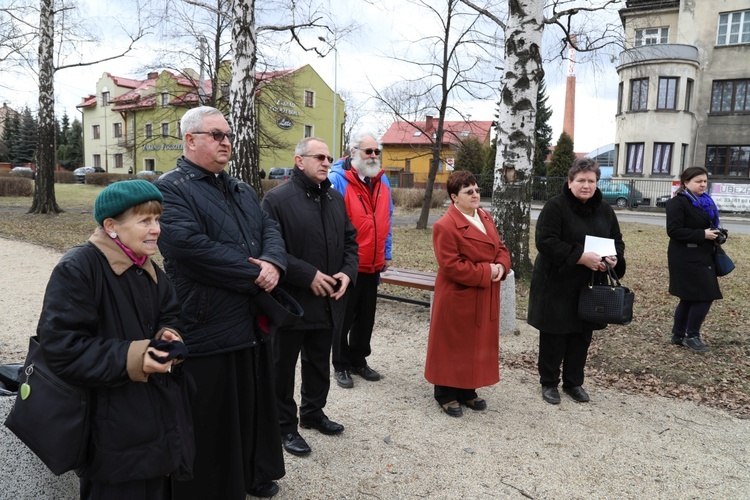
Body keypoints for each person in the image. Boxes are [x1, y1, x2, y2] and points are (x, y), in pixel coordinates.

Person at [155, 106, 286, 499]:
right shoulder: (170, 188)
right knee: (213, 413)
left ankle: (253, 473)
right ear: (190, 140)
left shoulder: (242, 188)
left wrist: (275, 263)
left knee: (252, 405)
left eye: (228, 135)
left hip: (250, 319)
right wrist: (256, 274)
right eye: (216, 134)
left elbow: (270, 229)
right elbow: (187, 247)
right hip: (207, 318)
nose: (226, 141)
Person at [38, 179, 194, 499]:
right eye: (145, 221)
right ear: (112, 226)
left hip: (154, 425)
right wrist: (137, 357)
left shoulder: (150, 269)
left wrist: (168, 334)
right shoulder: (79, 267)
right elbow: (62, 349)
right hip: (110, 432)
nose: (156, 229)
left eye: (158, 219)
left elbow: (172, 315)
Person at [261, 137, 359, 457]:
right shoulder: (276, 200)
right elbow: (271, 250)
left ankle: (313, 413)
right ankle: (283, 426)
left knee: (318, 362)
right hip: (292, 301)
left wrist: (347, 271)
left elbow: (350, 241)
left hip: (329, 300)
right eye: (319, 156)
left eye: (329, 158)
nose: (327, 162)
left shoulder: (333, 198)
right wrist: (308, 275)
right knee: (283, 367)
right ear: (299, 160)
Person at [527, 158, 626, 405]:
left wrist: (613, 259)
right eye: (580, 180)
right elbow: (546, 241)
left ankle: (574, 382)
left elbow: (617, 240)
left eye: (591, 181)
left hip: (590, 283)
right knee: (554, 335)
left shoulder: (604, 209)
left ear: (596, 183)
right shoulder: (555, 206)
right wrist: (580, 257)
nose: (586, 185)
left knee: (582, 336)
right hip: (557, 282)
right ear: (570, 182)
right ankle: (549, 382)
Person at [424, 170, 511, 417]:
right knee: (452, 344)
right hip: (458, 294)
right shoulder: (445, 226)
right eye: (468, 191)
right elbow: (452, 266)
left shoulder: (485, 216)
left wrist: (502, 266)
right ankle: (445, 393)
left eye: (476, 190)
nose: (475, 195)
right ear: (454, 197)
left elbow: (501, 248)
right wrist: (488, 271)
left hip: (484, 293)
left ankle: (466, 389)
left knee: (476, 344)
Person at [328, 133, 393, 388]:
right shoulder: (338, 180)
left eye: (376, 151)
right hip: (348, 263)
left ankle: (358, 360)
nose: (373, 156)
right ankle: (340, 364)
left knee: (366, 317)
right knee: (342, 317)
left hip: (373, 261)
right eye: (368, 151)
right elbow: (333, 225)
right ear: (353, 152)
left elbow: (388, 217)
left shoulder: (382, 179)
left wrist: (386, 252)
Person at [666, 166, 725, 353]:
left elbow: (709, 225)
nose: (703, 185)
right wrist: (702, 234)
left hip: (703, 254)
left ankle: (678, 334)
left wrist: (718, 234)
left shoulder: (705, 201)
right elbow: (673, 231)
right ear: (686, 182)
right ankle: (692, 336)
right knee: (705, 296)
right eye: (698, 181)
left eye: (705, 181)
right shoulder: (678, 203)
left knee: (689, 297)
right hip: (685, 256)